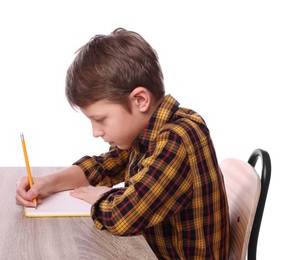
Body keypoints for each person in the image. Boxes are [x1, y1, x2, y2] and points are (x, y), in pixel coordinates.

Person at [16, 28, 230, 259]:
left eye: (100, 119)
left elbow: (125, 215)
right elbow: (103, 167)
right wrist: (47, 183)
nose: (95, 132)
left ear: (140, 100)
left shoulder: (178, 138)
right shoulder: (147, 133)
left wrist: (100, 197)